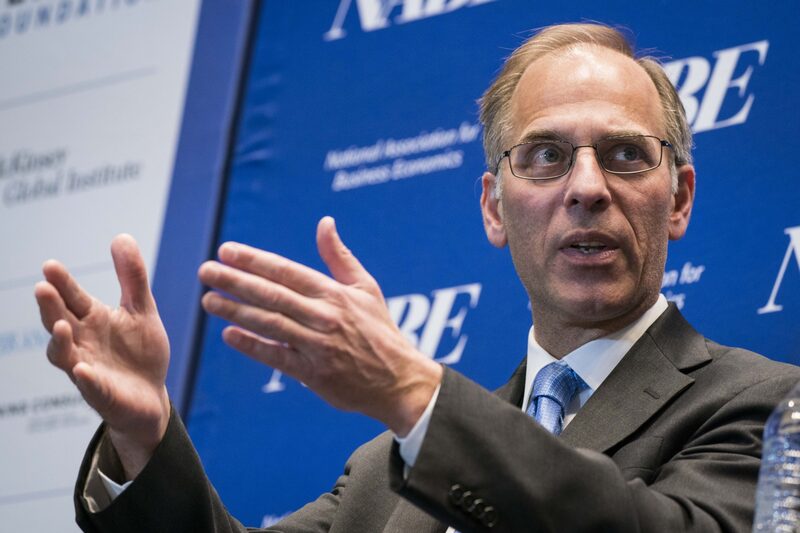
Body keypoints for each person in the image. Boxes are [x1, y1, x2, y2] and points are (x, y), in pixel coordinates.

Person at [35, 23, 800, 532]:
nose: (588, 186)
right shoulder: (382, 470)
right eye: (545, 155)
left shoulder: (765, 407)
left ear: (680, 199)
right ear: (493, 210)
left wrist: (414, 395)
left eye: (626, 154)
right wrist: (145, 435)